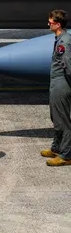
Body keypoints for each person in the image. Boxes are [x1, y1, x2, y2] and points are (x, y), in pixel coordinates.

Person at [45, 9, 71, 166]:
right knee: (56, 117)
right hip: (56, 82)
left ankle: (67, 155)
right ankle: (57, 148)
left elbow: (68, 66)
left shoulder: (64, 42)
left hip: (62, 83)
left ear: (58, 24)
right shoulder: (59, 39)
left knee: (63, 120)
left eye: (51, 22)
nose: (48, 24)